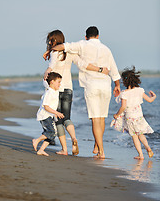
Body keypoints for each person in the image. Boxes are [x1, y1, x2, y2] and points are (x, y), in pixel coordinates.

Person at [51, 26, 121, 159]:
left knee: (95, 119)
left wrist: (51, 49)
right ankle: (97, 145)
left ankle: (101, 151)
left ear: (86, 36)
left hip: (92, 86)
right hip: (106, 86)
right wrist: (117, 85)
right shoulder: (106, 49)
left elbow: (62, 46)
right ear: (98, 36)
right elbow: (114, 69)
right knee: (101, 118)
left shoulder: (82, 44)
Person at [112, 66, 156, 160]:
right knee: (141, 134)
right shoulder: (140, 90)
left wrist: (117, 114)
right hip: (139, 117)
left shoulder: (124, 93)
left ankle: (141, 155)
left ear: (124, 81)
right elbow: (149, 100)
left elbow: (123, 107)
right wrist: (154, 96)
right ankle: (148, 148)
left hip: (130, 118)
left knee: (135, 137)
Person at [32, 72, 64, 156]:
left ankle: (41, 150)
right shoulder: (49, 92)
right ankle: (37, 140)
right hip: (44, 116)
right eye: (58, 82)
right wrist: (57, 112)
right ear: (52, 82)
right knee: (51, 132)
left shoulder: (55, 91)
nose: (60, 84)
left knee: (52, 134)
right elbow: (46, 107)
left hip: (49, 115)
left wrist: (54, 114)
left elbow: (52, 105)